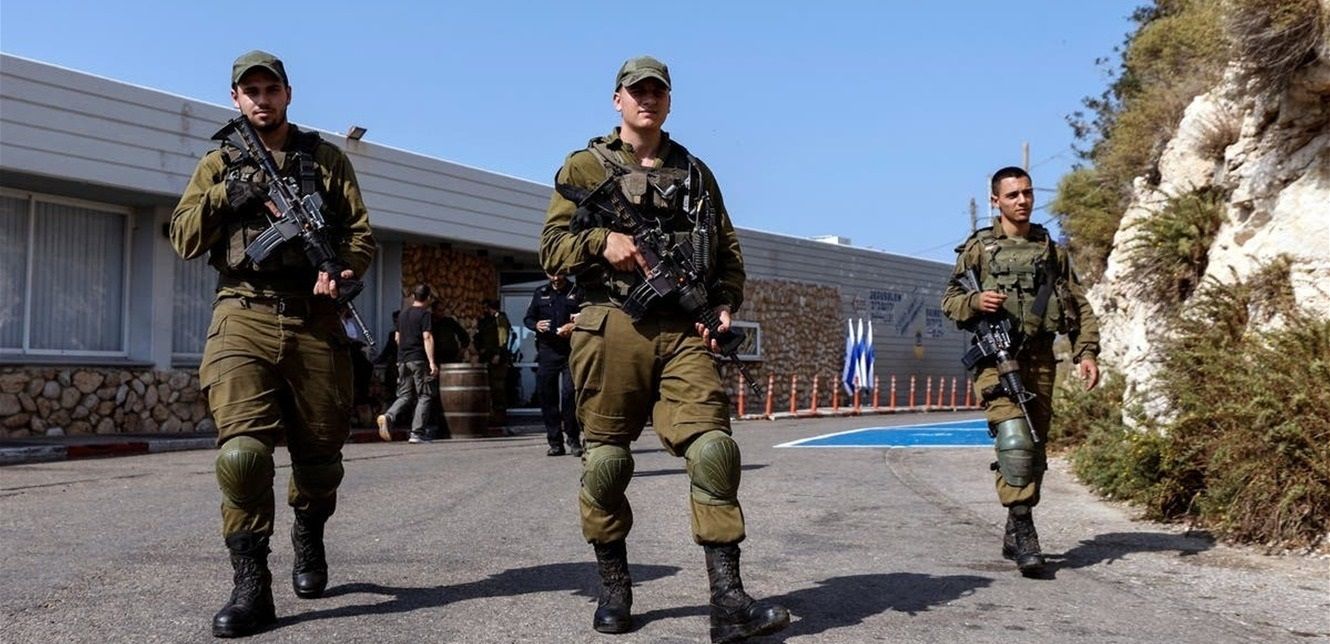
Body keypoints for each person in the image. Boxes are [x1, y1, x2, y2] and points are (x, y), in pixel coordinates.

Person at [539, 55, 788, 643]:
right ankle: (614, 588)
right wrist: (602, 242)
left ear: (669, 100)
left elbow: (727, 252)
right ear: (618, 99)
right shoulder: (585, 166)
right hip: (611, 322)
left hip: (683, 332)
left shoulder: (695, 173)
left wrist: (722, 302)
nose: (647, 99)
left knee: (714, 451)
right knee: (606, 463)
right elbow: (550, 248)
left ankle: (728, 602)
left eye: (657, 91)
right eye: (637, 91)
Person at [169, 50, 375, 638]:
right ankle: (251, 585)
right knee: (243, 455)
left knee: (320, 461)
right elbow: (182, 237)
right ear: (235, 98)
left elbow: (360, 234)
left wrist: (343, 269)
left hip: (314, 319)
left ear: (288, 94)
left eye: (271, 89)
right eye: (251, 91)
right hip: (242, 312)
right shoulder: (218, 162)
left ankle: (308, 531)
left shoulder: (325, 159)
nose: (262, 99)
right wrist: (225, 196)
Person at [941, 166, 1101, 576]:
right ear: (995, 200)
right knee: (1014, 439)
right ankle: (1026, 528)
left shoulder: (1050, 249)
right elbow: (950, 301)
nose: (1022, 201)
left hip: (1041, 358)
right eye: (1012, 195)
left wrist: (1086, 352)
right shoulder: (979, 249)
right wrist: (976, 303)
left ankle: (1015, 526)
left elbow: (1078, 304)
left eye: (1027, 193)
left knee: (1035, 444)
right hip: (996, 359)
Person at [523, 273, 583, 457]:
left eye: (559, 274)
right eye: (552, 274)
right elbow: (528, 318)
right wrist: (536, 325)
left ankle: (573, 439)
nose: (556, 278)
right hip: (547, 351)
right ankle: (555, 442)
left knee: (569, 395)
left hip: (570, 350)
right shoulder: (540, 292)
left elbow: (588, 315)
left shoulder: (576, 291)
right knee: (547, 397)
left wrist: (575, 323)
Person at [377, 285, 437, 444]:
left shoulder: (402, 315)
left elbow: (397, 338)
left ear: (413, 297)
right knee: (424, 395)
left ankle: (389, 416)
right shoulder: (425, 315)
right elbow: (427, 337)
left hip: (402, 360)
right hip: (418, 359)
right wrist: (432, 362)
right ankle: (417, 433)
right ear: (428, 298)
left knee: (404, 395)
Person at [473, 298, 513, 426]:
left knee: (498, 388)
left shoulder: (500, 319)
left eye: (486, 307)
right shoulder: (486, 320)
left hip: (497, 358)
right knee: (490, 387)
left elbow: (503, 337)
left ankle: (499, 417)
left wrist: (498, 353)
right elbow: (479, 337)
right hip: (487, 357)